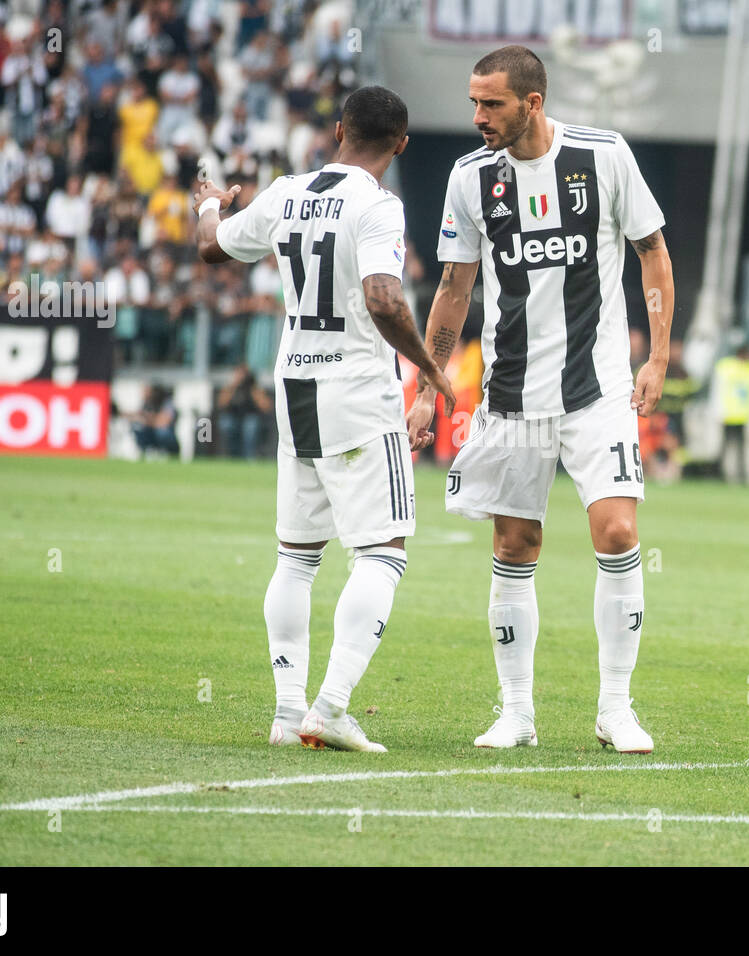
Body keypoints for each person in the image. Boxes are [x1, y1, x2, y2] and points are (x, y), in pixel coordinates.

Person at [406, 46, 674, 753]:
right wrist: (431, 385)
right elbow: (455, 286)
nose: (477, 117)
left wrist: (659, 357)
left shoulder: (604, 156)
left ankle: (616, 708)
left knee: (617, 532)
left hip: (598, 389)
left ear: (532, 102)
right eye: (473, 102)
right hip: (512, 393)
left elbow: (653, 251)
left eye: (491, 104)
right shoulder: (470, 178)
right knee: (514, 543)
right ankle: (516, 713)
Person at [193, 86, 455, 752]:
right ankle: (330, 707)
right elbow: (382, 296)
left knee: (297, 556)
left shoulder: (284, 192)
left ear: (338, 130)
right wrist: (428, 367)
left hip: (296, 382)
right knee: (384, 552)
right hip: (358, 388)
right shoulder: (378, 204)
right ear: (400, 145)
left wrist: (207, 204)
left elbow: (212, 249)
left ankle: (287, 714)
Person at [715, 342, 749, 483]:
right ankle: (720, 474)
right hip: (728, 415)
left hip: (743, 416)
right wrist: (718, 410)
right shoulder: (726, 366)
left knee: (741, 449)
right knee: (725, 447)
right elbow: (719, 390)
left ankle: (741, 475)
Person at [217, 363, 273, 458]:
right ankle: (231, 456)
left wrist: (254, 389)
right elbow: (221, 404)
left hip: (250, 418)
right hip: (233, 417)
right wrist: (233, 385)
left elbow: (267, 407)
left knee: (250, 426)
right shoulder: (230, 387)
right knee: (226, 424)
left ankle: (249, 457)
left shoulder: (254, 388)